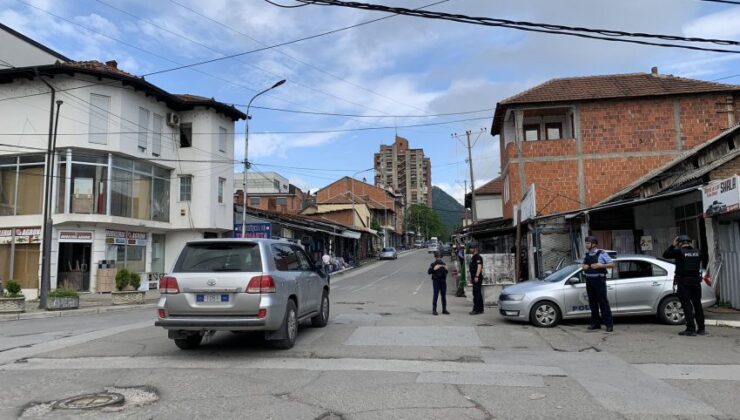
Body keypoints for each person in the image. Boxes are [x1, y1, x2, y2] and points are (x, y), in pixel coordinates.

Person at [663, 235, 705, 336]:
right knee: (697, 305)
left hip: (684, 283)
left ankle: (690, 329)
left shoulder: (679, 252)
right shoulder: (698, 252)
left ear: (679, 243)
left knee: (687, 306)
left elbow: (665, 254)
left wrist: (673, 245)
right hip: (696, 283)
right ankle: (701, 329)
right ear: (690, 242)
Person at [582, 236, 614, 332]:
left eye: (588, 243)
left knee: (603, 303)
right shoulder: (587, 254)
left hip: (599, 280)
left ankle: (609, 325)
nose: (586, 245)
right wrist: (584, 266)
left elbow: (612, 264)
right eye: (586, 243)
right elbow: (583, 265)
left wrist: (601, 265)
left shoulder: (602, 253)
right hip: (589, 281)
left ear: (594, 244)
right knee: (592, 303)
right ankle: (595, 324)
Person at [427, 251, 450, 315]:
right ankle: (434, 310)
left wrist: (446, 269)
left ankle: (444, 309)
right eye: (437, 257)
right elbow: (429, 272)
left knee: (443, 296)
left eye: (440, 257)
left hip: (443, 281)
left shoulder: (443, 264)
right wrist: (434, 269)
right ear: (435, 257)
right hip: (436, 281)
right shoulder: (433, 264)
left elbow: (446, 272)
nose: (439, 258)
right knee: (436, 295)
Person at [469, 242, 484, 315]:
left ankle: (476, 310)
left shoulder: (477, 257)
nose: (470, 249)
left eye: (471, 248)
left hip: (477, 277)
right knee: (478, 293)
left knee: (476, 294)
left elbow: (479, 266)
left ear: (475, 249)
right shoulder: (474, 257)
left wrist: (476, 276)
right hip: (474, 277)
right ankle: (480, 309)